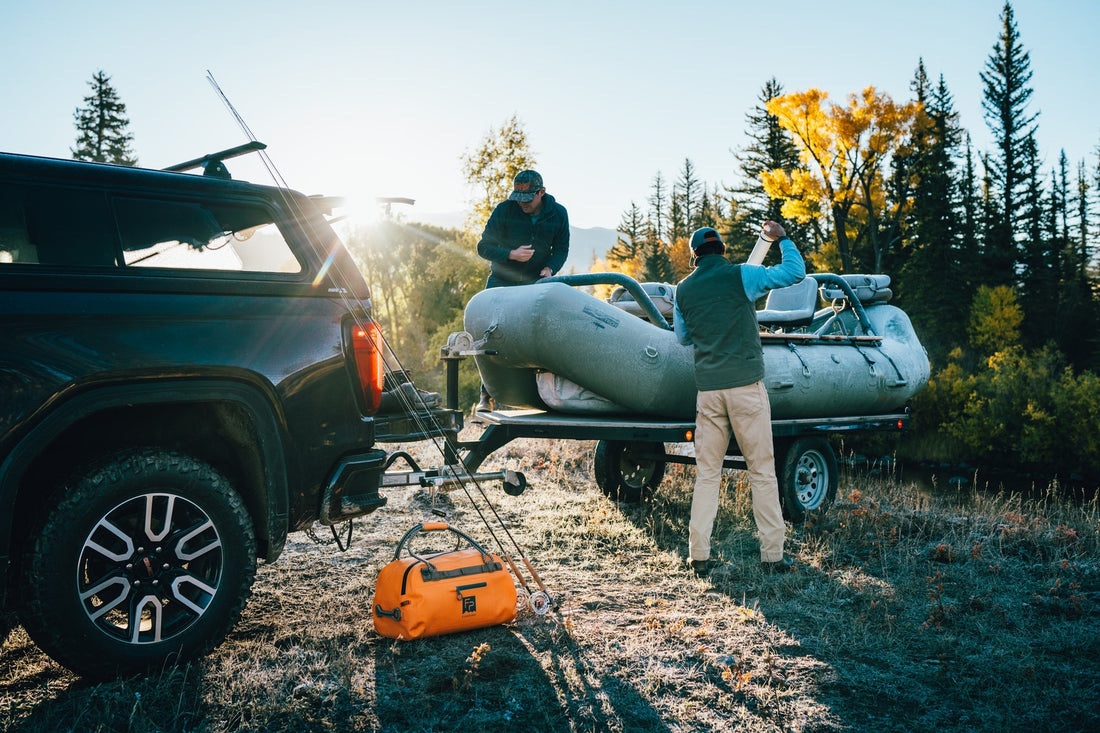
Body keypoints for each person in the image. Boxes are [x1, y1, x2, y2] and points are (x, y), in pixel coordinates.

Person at [673, 221, 806, 578]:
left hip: (709, 392)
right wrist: (783, 239)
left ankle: (698, 556)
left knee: (707, 475)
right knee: (762, 472)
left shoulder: (682, 290)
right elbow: (795, 272)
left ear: (694, 256)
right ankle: (772, 557)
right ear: (722, 251)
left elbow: (683, 338)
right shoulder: (743, 276)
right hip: (746, 387)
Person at [474, 170, 569, 411]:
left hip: (534, 283)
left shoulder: (559, 214)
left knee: (534, 335)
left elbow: (561, 249)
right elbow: (483, 247)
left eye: (527, 199)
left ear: (541, 193)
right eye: (518, 197)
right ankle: (486, 396)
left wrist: (550, 269)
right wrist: (510, 254)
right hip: (501, 281)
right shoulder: (504, 210)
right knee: (488, 335)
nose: (522, 203)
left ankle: (538, 397)